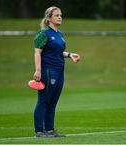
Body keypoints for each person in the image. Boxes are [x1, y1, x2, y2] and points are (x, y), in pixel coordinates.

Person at [33, 6, 80, 137]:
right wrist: (38, 70)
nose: (60, 17)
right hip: (48, 71)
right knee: (43, 101)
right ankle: (39, 131)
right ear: (49, 18)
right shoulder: (43, 33)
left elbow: (57, 52)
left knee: (53, 102)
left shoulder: (59, 34)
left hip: (60, 71)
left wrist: (70, 54)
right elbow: (37, 52)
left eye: (60, 15)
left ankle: (49, 130)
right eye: (56, 15)